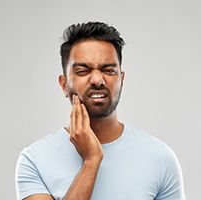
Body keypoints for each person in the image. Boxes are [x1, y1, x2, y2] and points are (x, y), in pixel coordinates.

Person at [15, 22, 185, 200]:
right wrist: (91, 161)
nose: (97, 80)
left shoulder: (160, 158)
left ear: (122, 80)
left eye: (109, 70)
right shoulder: (34, 160)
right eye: (82, 71)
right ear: (64, 84)